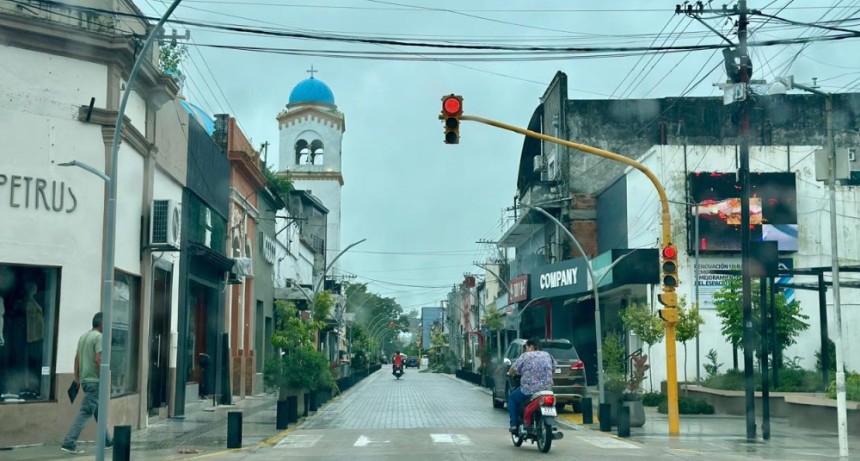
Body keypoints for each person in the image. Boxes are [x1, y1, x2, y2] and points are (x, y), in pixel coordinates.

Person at [61, 312, 112, 454]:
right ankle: (69, 442)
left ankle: (107, 441)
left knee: (97, 411)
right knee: (85, 412)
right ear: (102, 324)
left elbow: (76, 359)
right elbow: (98, 359)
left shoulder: (83, 337)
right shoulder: (99, 337)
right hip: (95, 381)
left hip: (85, 381)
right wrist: (104, 379)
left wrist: (77, 379)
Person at [506, 338, 556, 433]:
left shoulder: (525, 356)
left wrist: (510, 373)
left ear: (531, 346)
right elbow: (553, 369)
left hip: (529, 389)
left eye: (526, 347)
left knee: (512, 398)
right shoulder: (548, 355)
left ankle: (513, 425)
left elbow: (513, 368)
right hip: (547, 389)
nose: (526, 350)